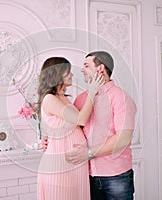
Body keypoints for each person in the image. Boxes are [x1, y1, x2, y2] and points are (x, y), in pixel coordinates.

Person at [44, 51, 137, 199]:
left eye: (86, 65)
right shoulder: (81, 99)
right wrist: (51, 138)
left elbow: (123, 139)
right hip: (86, 174)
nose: (81, 70)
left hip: (115, 175)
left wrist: (88, 153)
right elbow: (72, 128)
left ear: (100, 69)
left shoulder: (121, 98)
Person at [36, 57, 104, 200]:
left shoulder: (63, 98)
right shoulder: (50, 99)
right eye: (68, 72)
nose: (72, 75)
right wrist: (91, 92)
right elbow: (81, 119)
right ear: (57, 74)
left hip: (74, 163)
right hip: (60, 164)